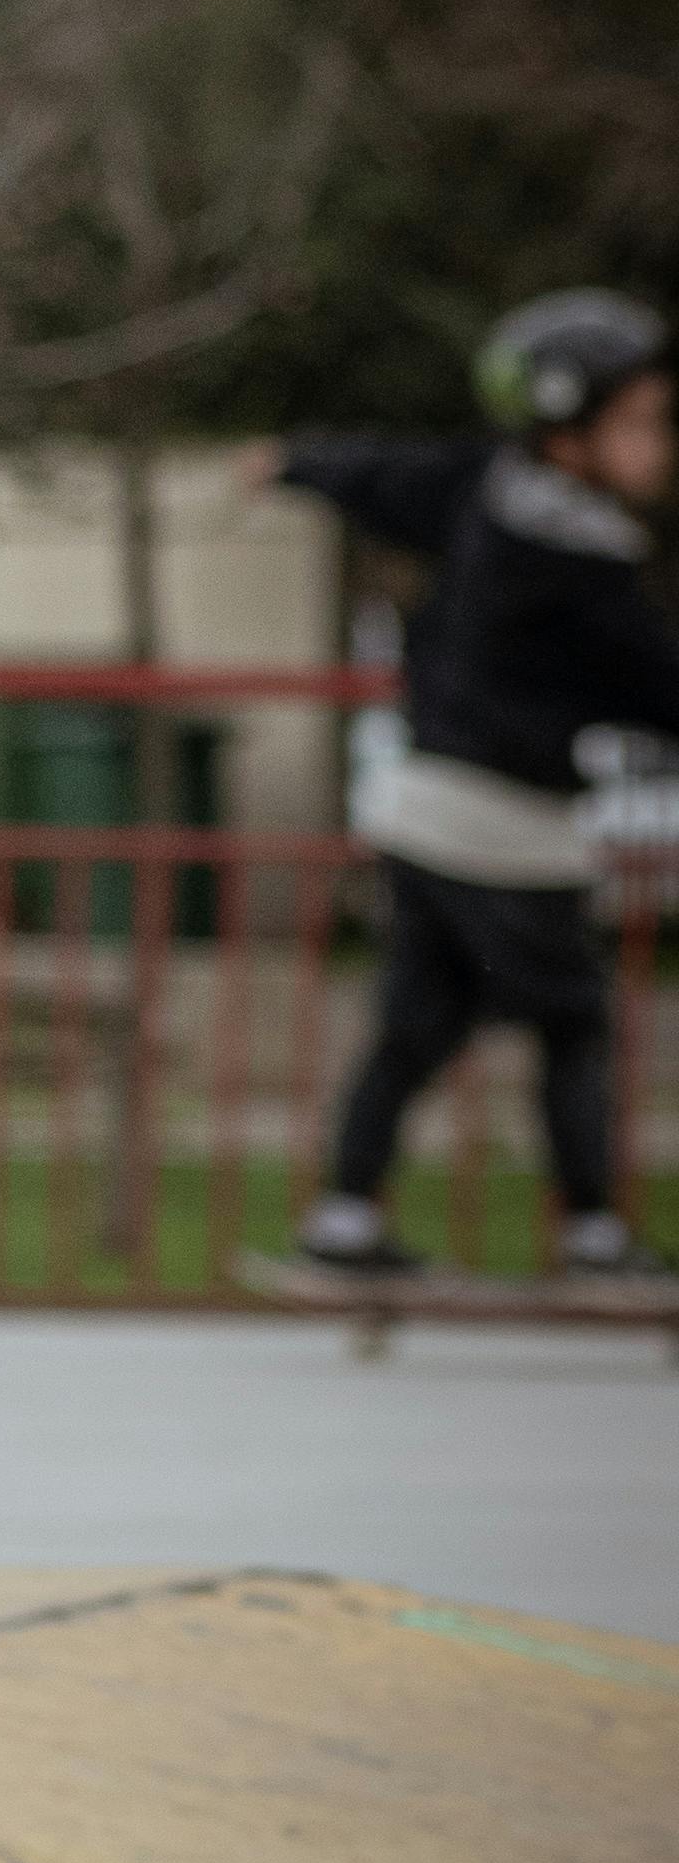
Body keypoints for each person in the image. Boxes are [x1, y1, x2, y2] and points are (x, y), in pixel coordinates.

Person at [269, 293, 679, 1284]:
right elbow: (657, 685)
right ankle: (591, 1234)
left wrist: (291, 463)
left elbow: (381, 475)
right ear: (567, 430)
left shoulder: (480, 490)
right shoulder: (578, 560)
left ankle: (342, 1216)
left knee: (418, 1020)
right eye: (642, 422)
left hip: (421, 807)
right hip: (504, 825)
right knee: (572, 1021)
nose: (663, 445)